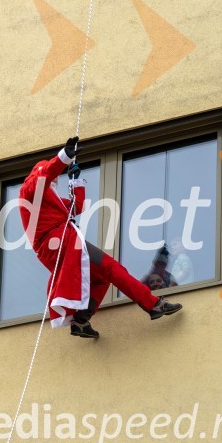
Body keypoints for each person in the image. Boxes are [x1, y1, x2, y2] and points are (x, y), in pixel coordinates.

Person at [18, 137, 182, 338]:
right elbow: (43, 176)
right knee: (112, 268)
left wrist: (75, 181)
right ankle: (154, 304)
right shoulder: (29, 190)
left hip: (62, 245)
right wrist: (64, 157)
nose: (55, 182)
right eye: (54, 179)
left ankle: (80, 321)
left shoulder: (49, 198)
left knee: (102, 278)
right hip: (60, 244)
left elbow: (77, 207)